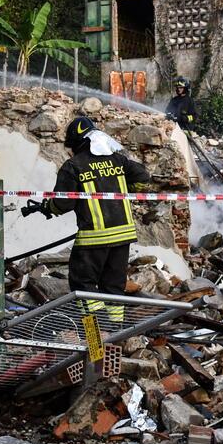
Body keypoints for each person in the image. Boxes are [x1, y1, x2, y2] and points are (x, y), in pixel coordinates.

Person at [34, 117, 150, 319]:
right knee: (114, 286)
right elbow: (143, 178)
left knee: (83, 284)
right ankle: (114, 332)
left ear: (78, 143)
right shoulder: (116, 160)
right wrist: (123, 188)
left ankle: (95, 332)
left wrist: (48, 207)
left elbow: (63, 203)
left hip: (93, 238)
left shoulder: (73, 166)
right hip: (123, 237)